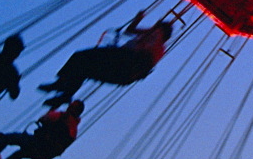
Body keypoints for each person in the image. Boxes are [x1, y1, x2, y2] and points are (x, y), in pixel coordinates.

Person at [38, 11, 174, 107]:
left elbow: (140, 44)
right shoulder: (155, 42)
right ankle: (64, 92)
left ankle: (63, 85)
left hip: (123, 62)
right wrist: (138, 20)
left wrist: (148, 29)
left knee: (82, 58)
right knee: (84, 67)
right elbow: (130, 31)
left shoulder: (156, 40)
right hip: (123, 68)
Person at [0, 100, 85, 159]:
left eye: (71, 105)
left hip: (37, 143)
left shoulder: (62, 116)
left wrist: (52, 109)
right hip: (44, 156)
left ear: (74, 109)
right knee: (19, 154)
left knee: (9, 138)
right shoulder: (74, 131)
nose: (69, 106)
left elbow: (44, 119)